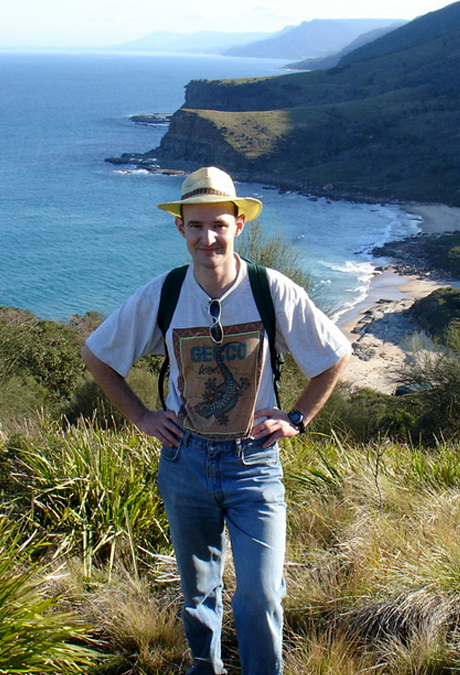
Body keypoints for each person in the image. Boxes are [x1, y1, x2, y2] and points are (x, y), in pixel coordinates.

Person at [82, 166, 351, 675]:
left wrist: (297, 417)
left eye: (219, 225)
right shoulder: (163, 293)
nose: (208, 237)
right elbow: (98, 356)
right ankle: (205, 669)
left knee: (262, 594)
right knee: (198, 591)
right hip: (186, 461)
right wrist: (140, 415)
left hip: (254, 465)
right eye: (197, 225)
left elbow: (334, 355)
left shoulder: (271, 289)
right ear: (180, 228)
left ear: (239, 226)